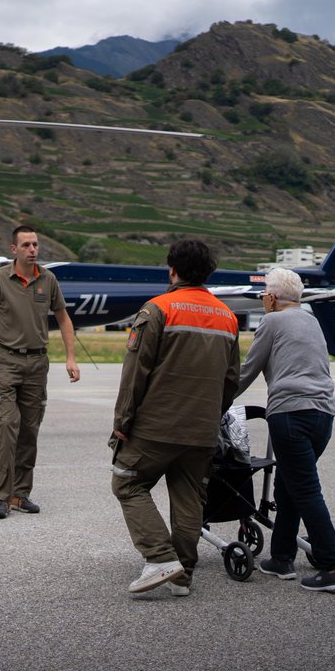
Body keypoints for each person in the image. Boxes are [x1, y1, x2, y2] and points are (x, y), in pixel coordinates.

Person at [111, 239, 240, 595]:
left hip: (156, 426)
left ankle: (160, 558)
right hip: (202, 430)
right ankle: (182, 574)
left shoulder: (157, 310)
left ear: (172, 269)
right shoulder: (227, 317)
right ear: (208, 272)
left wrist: (123, 421)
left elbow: (135, 372)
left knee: (127, 483)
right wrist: (212, 415)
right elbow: (232, 380)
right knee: (188, 496)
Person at [236, 267, 335, 592]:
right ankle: (281, 558)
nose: (262, 300)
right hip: (323, 415)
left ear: (271, 297)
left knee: (306, 490)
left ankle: (331, 567)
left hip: (290, 415)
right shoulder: (311, 319)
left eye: (263, 295)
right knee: (288, 487)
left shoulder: (271, 321)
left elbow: (249, 370)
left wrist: (218, 401)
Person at [0, 225, 80, 519]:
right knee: (6, 427)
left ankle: (21, 495)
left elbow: (63, 319)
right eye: (26, 245)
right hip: (4, 361)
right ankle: (3, 496)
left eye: (35, 244)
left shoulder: (48, 280)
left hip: (37, 364)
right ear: (14, 250)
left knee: (29, 432)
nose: (32, 249)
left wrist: (70, 358)